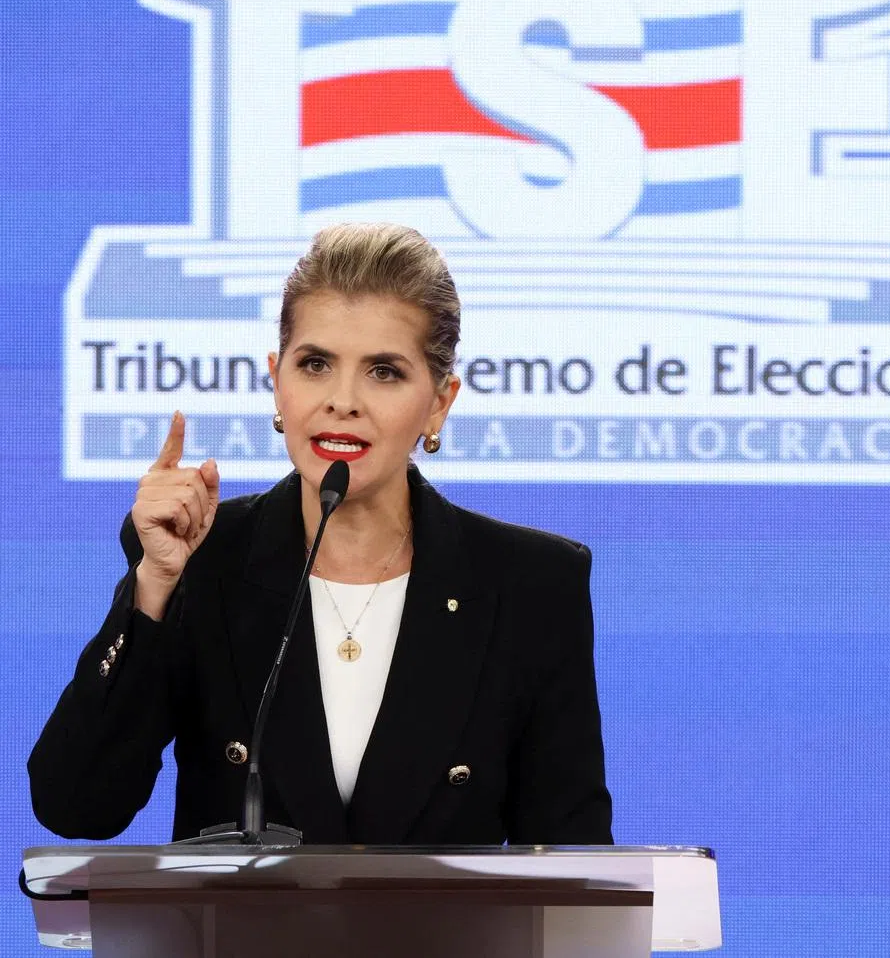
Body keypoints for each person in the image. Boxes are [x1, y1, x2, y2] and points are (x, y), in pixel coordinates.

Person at [29, 222, 612, 846]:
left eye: (384, 372)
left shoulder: (530, 584)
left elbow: (572, 859)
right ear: (277, 379)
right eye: (316, 364)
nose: (342, 400)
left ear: (440, 401)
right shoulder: (203, 554)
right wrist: (154, 586)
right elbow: (77, 805)